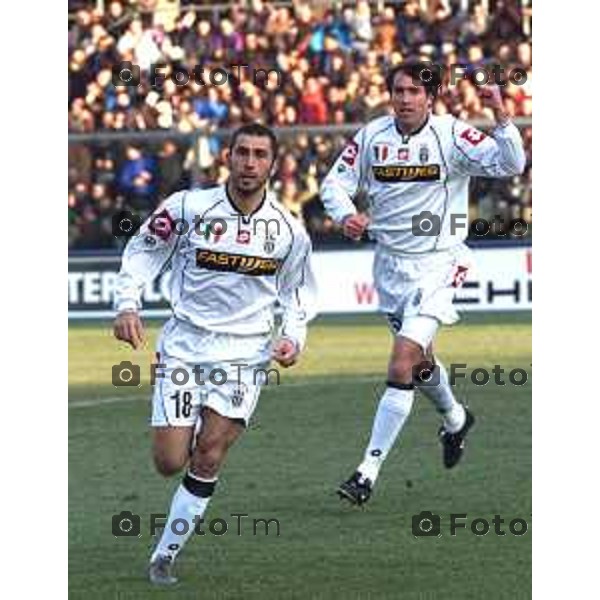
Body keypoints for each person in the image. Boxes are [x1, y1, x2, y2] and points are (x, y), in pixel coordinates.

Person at [113, 123, 317, 583]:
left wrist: (293, 337)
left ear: (273, 164)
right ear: (227, 157)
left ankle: (164, 555)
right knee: (169, 462)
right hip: (185, 347)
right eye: (242, 152)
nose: (249, 162)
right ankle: (178, 489)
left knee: (208, 455)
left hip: (245, 356)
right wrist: (128, 302)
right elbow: (143, 250)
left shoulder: (289, 232)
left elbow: (298, 294)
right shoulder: (189, 206)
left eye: (260, 154)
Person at [320, 62, 525, 506]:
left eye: (414, 91)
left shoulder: (452, 135)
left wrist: (500, 115)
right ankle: (455, 418)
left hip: (441, 263)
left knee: (401, 363)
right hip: (391, 268)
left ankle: (366, 472)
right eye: (399, 90)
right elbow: (332, 184)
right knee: (422, 362)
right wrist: (346, 215)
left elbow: (513, 163)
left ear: (430, 98)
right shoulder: (373, 137)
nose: (406, 98)